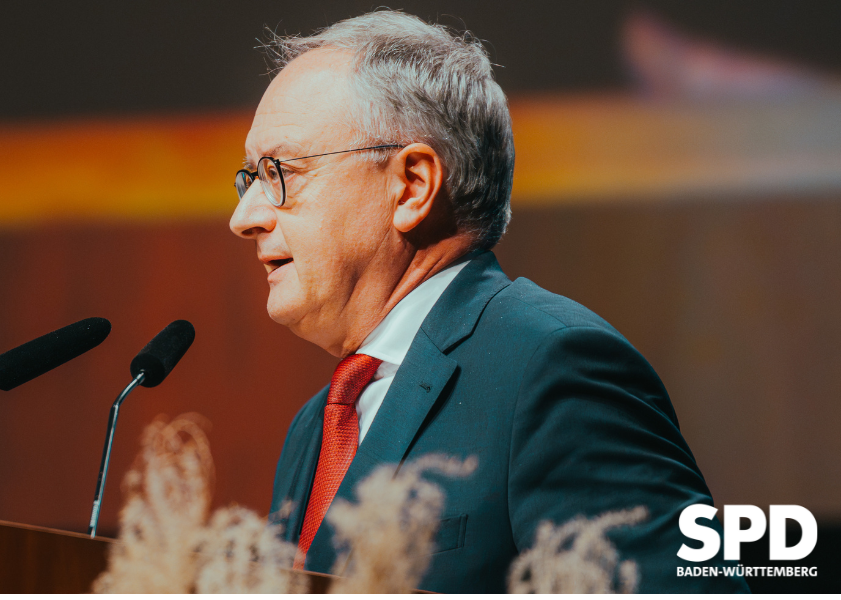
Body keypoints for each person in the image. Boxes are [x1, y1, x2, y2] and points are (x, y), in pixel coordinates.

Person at [228, 10, 748, 593]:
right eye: (249, 178)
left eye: (280, 171)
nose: (244, 217)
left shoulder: (553, 368)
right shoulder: (315, 425)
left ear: (412, 185)